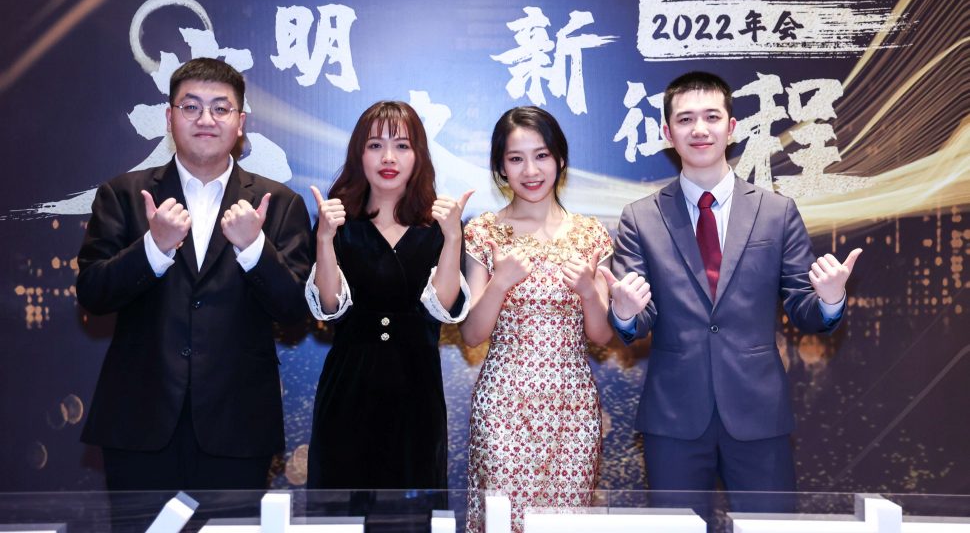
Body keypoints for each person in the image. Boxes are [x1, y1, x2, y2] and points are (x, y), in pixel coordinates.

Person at [603, 71, 862, 507]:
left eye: (711, 117)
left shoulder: (776, 212)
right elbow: (635, 322)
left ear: (732, 128)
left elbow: (804, 309)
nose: (699, 129)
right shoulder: (640, 217)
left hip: (759, 413)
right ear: (667, 133)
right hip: (674, 417)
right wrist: (625, 311)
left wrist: (831, 298)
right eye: (685, 119)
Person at [76, 58, 313, 491]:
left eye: (221, 108)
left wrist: (254, 248)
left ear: (240, 123)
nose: (206, 119)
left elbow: (296, 309)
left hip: (238, 423)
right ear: (170, 118)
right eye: (191, 107)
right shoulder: (124, 194)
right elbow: (93, 293)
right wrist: (154, 247)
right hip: (139, 421)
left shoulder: (278, 203)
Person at [461, 106, 614, 533]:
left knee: (565, 523)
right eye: (516, 158)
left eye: (542, 155)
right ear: (500, 167)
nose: (530, 170)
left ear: (560, 159)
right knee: (501, 521)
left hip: (573, 406)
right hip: (504, 404)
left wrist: (588, 291)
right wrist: (499, 283)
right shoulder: (484, 232)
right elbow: (472, 334)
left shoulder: (590, 233)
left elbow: (602, 336)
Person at [305, 100, 470, 491]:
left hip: (417, 390)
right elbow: (328, 308)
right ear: (358, 154)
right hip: (348, 388)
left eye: (402, 145)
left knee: (414, 506)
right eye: (375, 145)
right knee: (341, 503)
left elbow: (445, 307)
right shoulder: (338, 222)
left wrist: (452, 238)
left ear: (419, 155)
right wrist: (325, 239)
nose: (388, 157)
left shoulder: (438, 227)